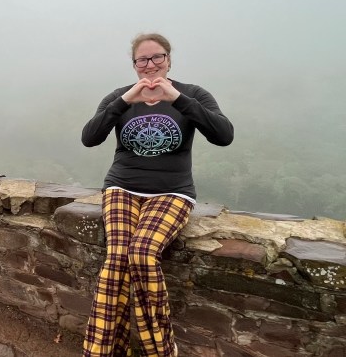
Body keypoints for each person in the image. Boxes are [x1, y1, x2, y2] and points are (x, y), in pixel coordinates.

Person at [81, 33, 234, 357]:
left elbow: (223, 135)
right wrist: (125, 101)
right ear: (134, 64)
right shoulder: (120, 97)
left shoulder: (192, 94)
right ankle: (103, 352)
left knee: (142, 253)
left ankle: (159, 351)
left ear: (169, 59)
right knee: (117, 259)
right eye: (142, 59)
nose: (150, 65)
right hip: (122, 187)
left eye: (157, 57)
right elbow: (90, 137)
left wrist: (176, 98)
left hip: (173, 192)